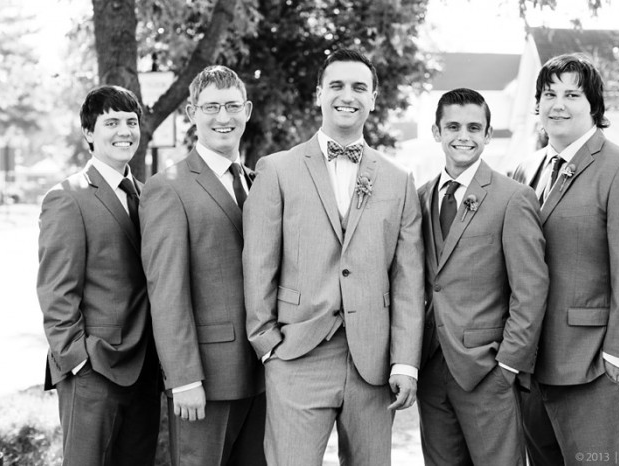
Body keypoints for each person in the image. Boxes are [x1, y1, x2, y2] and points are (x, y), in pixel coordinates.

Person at [242, 48, 424, 465]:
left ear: (373, 98)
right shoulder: (277, 169)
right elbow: (258, 264)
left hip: (373, 363)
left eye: (359, 87)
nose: (348, 95)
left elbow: (408, 279)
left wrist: (405, 363)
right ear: (319, 93)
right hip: (297, 354)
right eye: (337, 85)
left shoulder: (398, 180)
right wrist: (267, 344)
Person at [512, 53, 619, 466]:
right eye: (549, 94)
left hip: (591, 365)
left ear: (594, 104)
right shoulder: (524, 170)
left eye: (571, 95)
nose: (558, 104)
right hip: (529, 367)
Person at [140, 65, 265, 466]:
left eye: (232, 106)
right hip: (206, 379)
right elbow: (166, 292)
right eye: (211, 107)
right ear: (192, 112)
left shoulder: (259, 182)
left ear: (247, 110)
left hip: (266, 374)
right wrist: (183, 378)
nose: (223, 117)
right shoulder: (168, 187)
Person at [416, 88, 548, 466]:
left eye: (474, 128)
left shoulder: (513, 198)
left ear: (488, 135)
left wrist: (508, 364)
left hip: (487, 369)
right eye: (453, 126)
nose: (464, 136)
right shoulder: (420, 197)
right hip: (431, 368)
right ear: (437, 132)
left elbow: (531, 289)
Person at [37, 85, 160, 465]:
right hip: (93, 369)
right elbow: (56, 291)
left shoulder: (149, 195)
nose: (125, 131)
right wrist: (77, 359)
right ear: (89, 132)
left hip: (146, 369)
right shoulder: (68, 197)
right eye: (112, 122)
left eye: (131, 122)